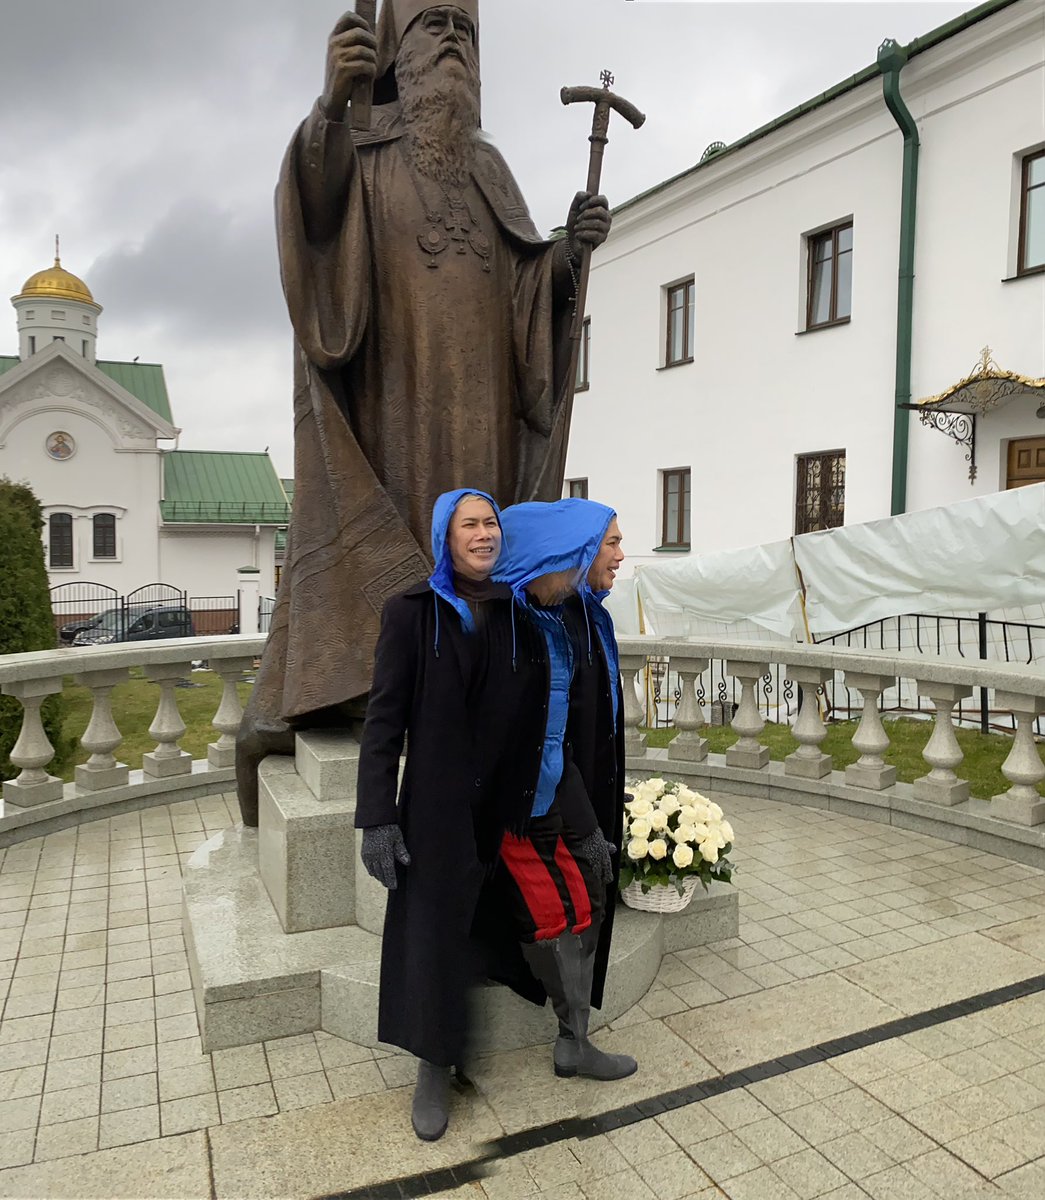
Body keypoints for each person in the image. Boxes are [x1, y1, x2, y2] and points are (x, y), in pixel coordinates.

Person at [236, 0, 613, 824]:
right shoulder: (360, 150)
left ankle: (479, 672)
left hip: (481, 404)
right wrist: (331, 103)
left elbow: (525, 291)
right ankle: (384, 683)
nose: (451, 40)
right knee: (410, 535)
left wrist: (564, 259)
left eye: (463, 30)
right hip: (391, 401)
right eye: (433, 25)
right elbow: (313, 214)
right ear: (397, 55)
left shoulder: (488, 168)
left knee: (476, 531)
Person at [354, 488, 551, 1142]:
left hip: (500, 803)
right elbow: (383, 721)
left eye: (490, 522)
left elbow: (533, 714)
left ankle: (528, 1035)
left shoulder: (515, 613)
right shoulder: (412, 614)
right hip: (435, 807)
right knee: (434, 935)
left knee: (486, 927)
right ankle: (433, 1065)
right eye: (470, 524)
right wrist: (376, 815)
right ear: (446, 536)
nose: (484, 533)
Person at [493, 499, 636, 1083]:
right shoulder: (517, 624)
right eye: (611, 543)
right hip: (526, 808)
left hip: (565, 792)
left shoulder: (571, 616)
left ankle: (573, 1036)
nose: (622, 555)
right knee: (561, 913)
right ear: (567, 551)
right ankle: (570, 1037)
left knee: (586, 903)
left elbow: (565, 736)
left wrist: (591, 821)